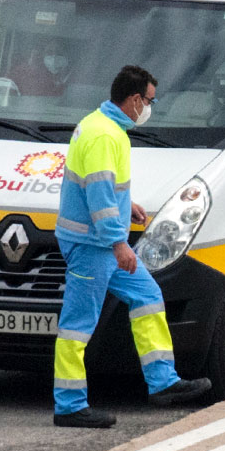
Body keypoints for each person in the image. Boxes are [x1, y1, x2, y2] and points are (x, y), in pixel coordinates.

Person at [53, 65, 210, 428]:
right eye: (150, 101)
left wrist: (128, 207)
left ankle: (163, 382)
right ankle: (69, 405)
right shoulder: (105, 136)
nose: (150, 108)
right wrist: (119, 243)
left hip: (99, 244)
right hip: (93, 247)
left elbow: (102, 188)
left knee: (147, 296)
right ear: (135, 99)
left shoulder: (101, 126)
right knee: (77, 326)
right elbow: (99, 195)